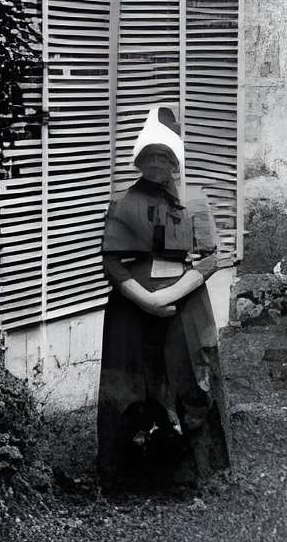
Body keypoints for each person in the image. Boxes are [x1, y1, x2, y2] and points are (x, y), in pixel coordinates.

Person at [97, 105, 231, 494]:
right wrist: (145, 300)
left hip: (185, 301)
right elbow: (111, 262)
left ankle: (198, 471)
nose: (157, 164)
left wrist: (170, 295)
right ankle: (128, 474)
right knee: (131, 383)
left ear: (175, 162)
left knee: (192, 378)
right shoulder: (122, 203)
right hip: (131, 305)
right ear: (140, 160)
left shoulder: (195, 200)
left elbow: (210, 257)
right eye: (151, 157)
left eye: (165, 157)